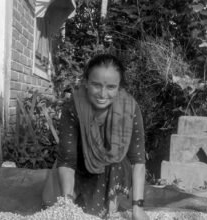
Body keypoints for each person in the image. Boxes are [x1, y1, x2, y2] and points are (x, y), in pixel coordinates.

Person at [56, 54, 149, 219]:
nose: (102, 94)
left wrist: (138, 208)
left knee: (117, 163)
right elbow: (67, 161)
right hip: (81, 170)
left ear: (119, 87)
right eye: (96, 85)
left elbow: (138, 161)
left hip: (116, 172)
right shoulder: (73, 108)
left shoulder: (130, 109)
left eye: (111, 87)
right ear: (86, 82)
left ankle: (112, 208)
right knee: (59, 202)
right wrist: (67, 206)